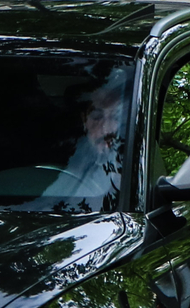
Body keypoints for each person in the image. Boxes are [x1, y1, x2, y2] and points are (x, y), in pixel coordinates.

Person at [38, 73, 127, 212]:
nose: (106, 129)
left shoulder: (134, 169)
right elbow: (45, 207)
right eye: (97, 117)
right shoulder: (71, 165)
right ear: (85, 120)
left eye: (116, 117)